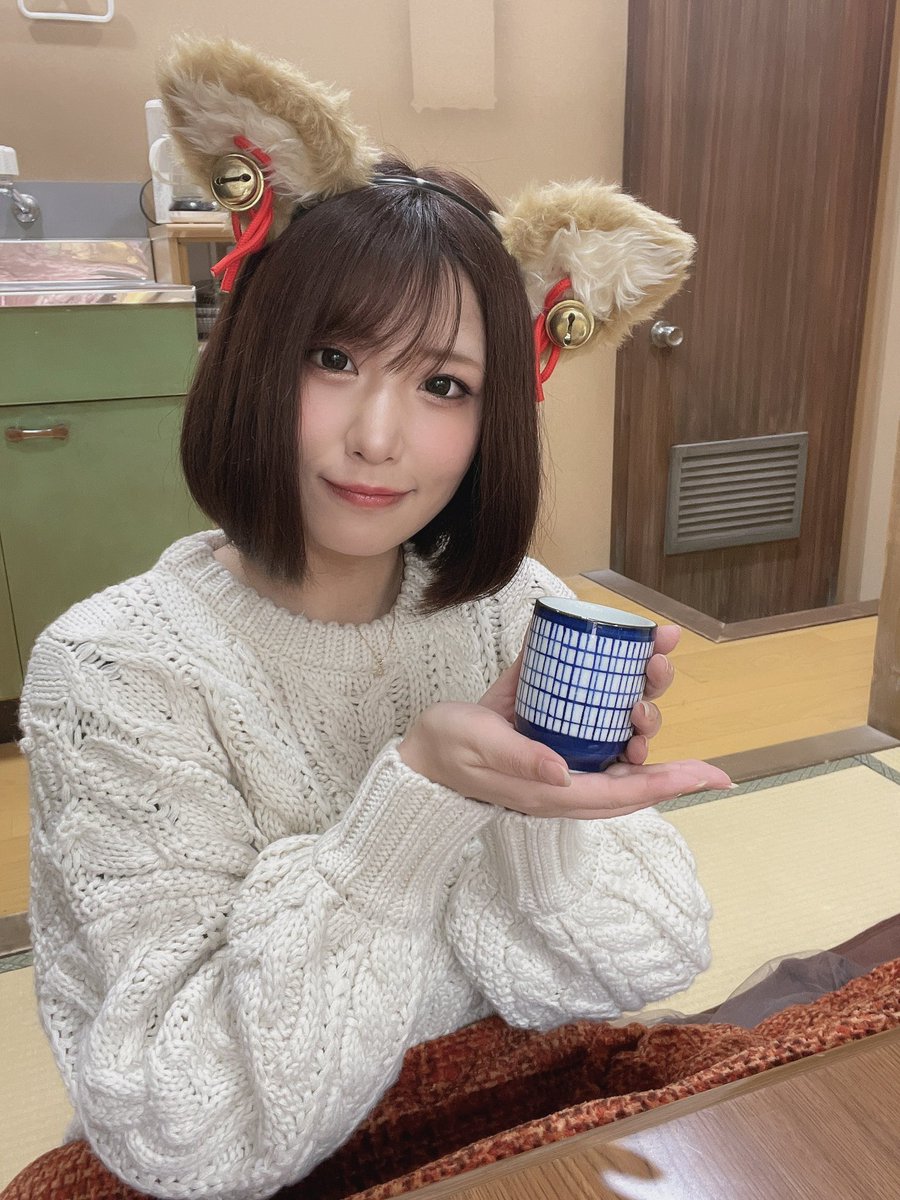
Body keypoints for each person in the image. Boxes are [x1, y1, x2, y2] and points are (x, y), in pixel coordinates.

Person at [18, 36, 731, 1200]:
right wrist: (416, 796)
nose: (379, 438)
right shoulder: (113, 668)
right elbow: (186, 1124)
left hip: (509, 1138)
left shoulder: (519, 613)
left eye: (444, 384)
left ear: (496, 416)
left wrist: (539, 811)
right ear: (254, 355)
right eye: (334, 357)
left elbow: (645, 960)